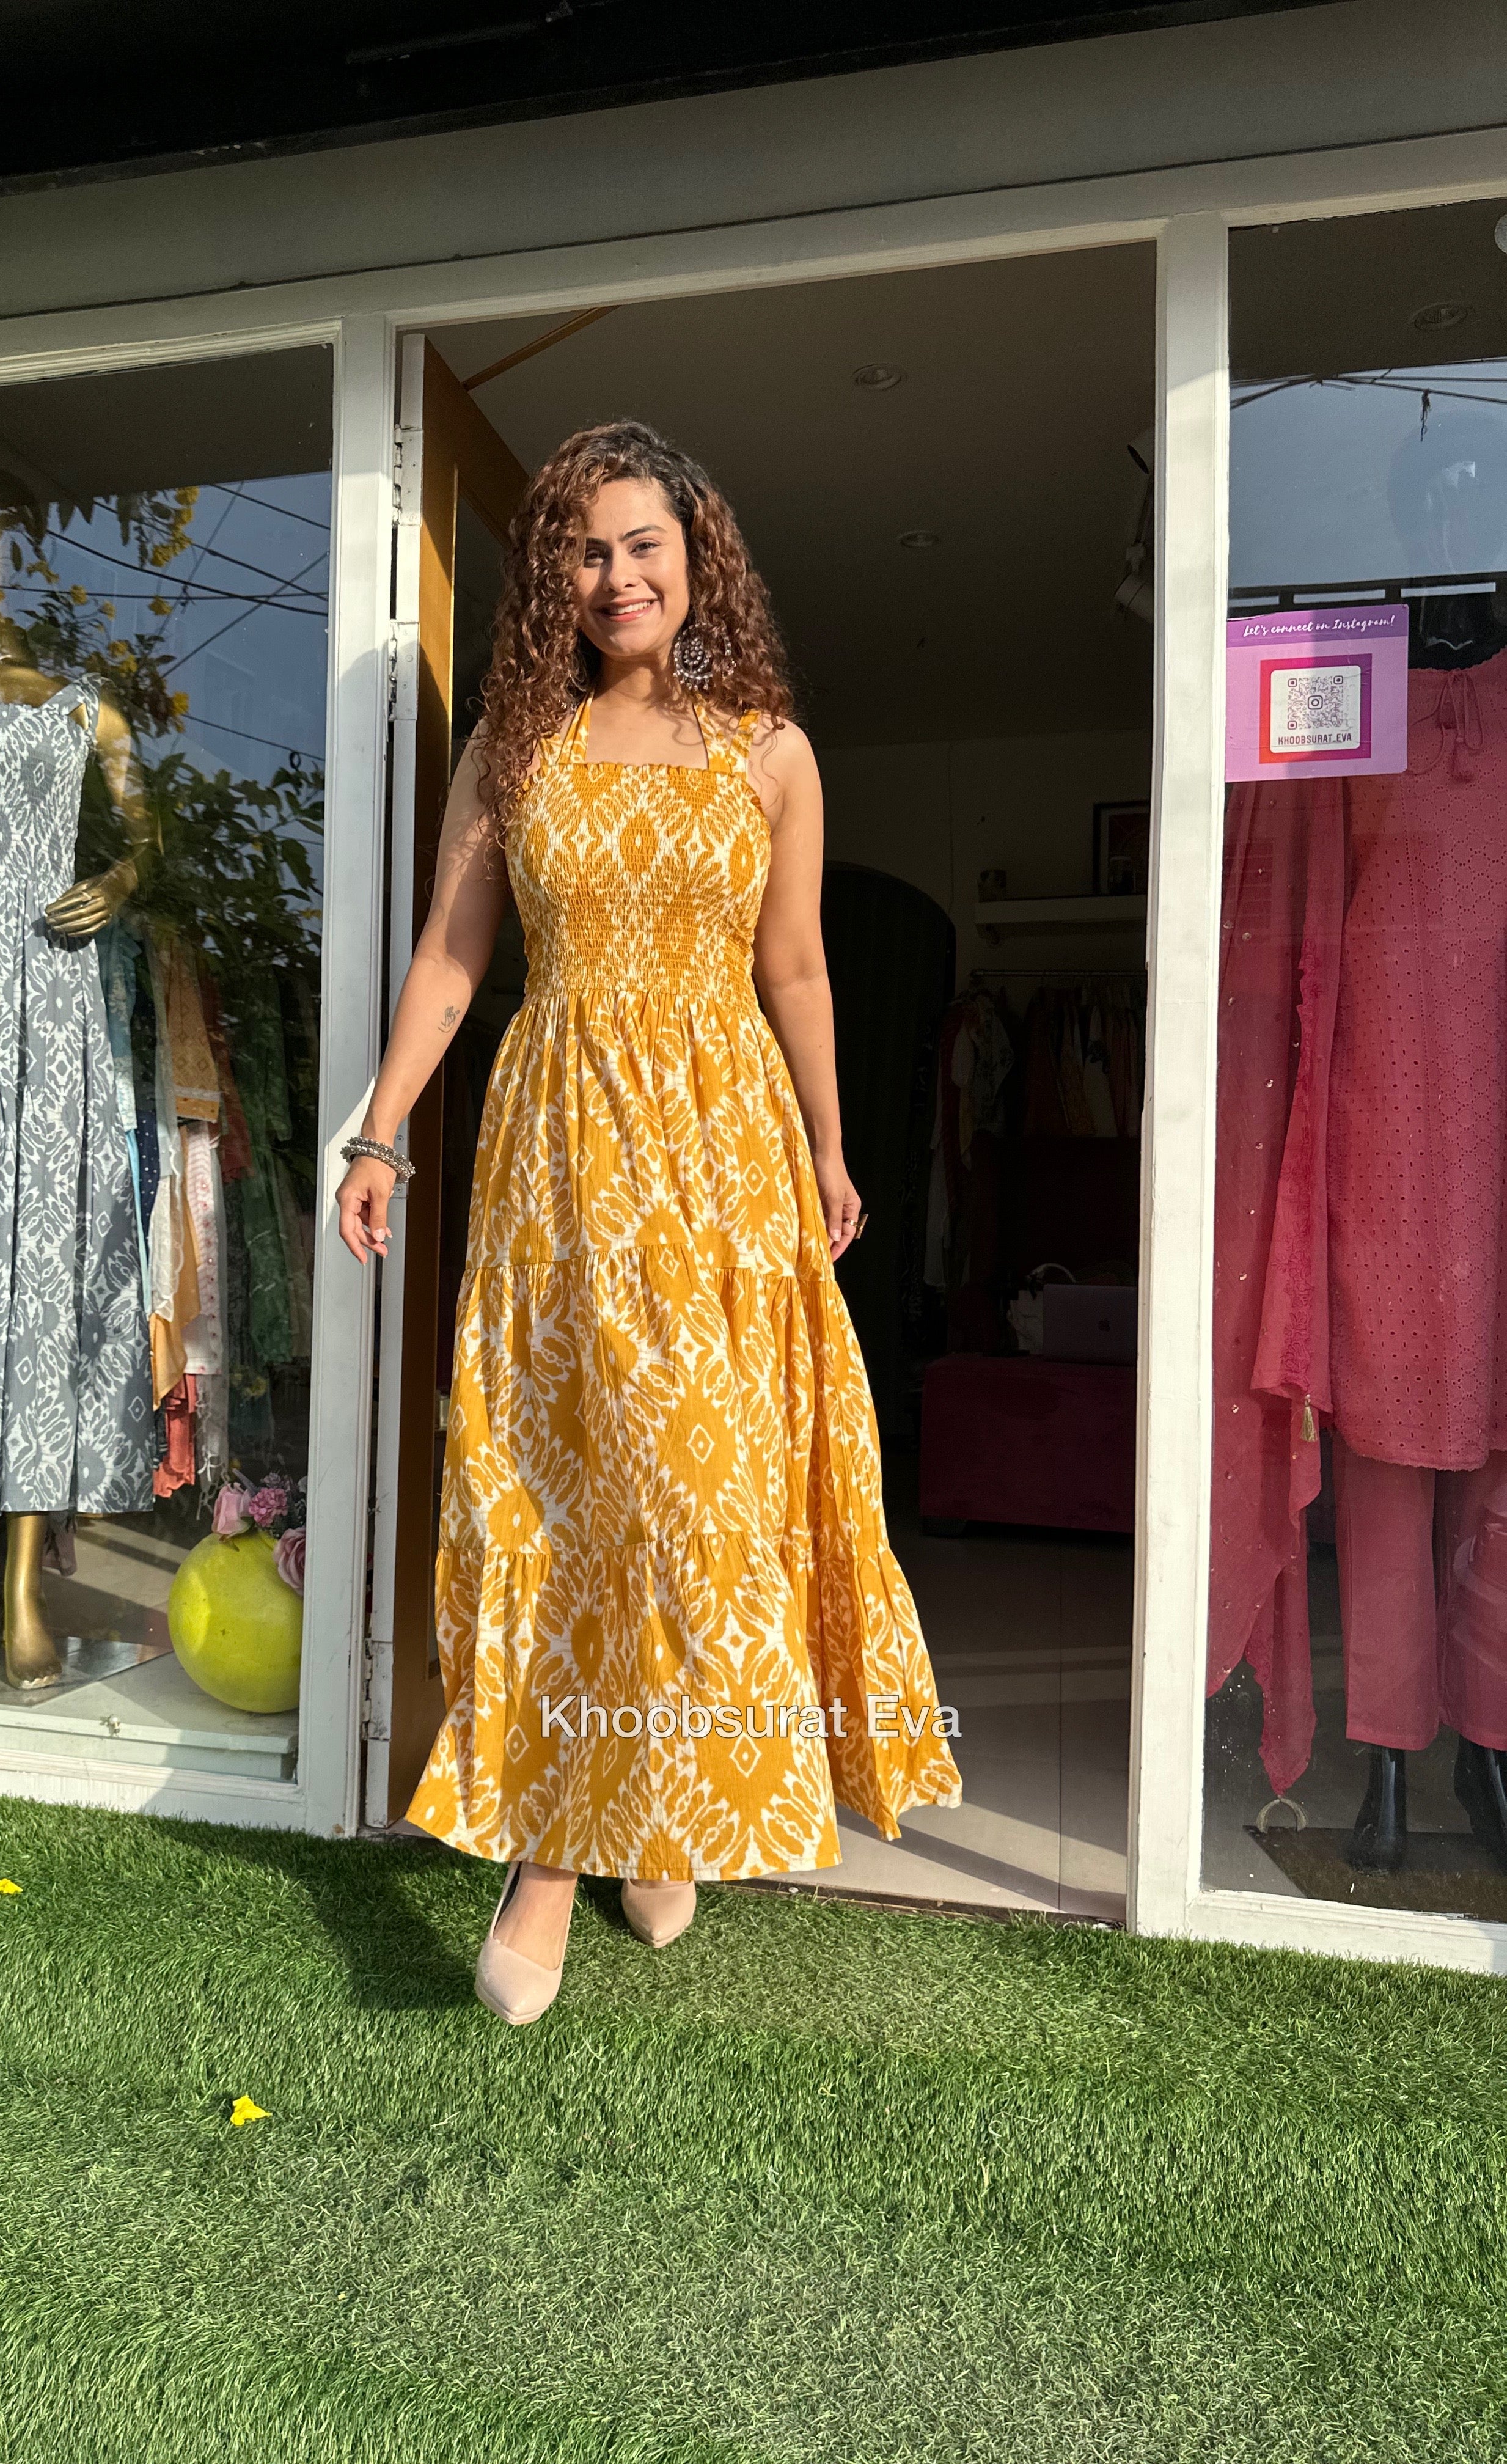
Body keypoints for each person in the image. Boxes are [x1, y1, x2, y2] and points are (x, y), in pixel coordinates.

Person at [335, 419, 960, 2023]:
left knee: (696, 1498)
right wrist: (380, 1131)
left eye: (642, 545)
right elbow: (452, 960)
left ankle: (655, 1808)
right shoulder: (514, 749)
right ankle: (557, 1850)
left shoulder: (770, 752)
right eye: (584, 551)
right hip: (560, 1155)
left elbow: (796, 967)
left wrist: (829, 1145)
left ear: (697, 559)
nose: (616, 576)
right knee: (570, 1495)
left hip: (720, 1160)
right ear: (553, 576)